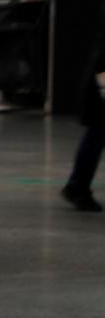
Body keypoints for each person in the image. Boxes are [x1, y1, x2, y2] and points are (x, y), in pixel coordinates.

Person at [62, 45, 105, 211]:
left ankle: (77, 186)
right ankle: (78, 188)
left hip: (99, 84)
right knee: (95, 138)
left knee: (95, 138)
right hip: (100, 87)